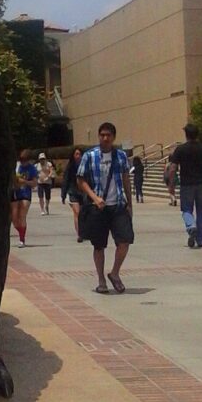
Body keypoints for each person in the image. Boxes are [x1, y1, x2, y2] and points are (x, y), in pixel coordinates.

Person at [76, 122, 134, 293]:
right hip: (98, 208)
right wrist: (94, 197)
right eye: (102, 135)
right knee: (99, 245)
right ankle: (101, 280)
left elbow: (125, 179)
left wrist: (129, 203)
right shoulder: (89, 156)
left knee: (125, 240)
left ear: (113, 137)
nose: (105, 138)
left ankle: (115, 273)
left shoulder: (121, 156)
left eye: (108, 135)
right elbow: (80, 180)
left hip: (117, 206)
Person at [167, 123, 202, 248]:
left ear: (186, 135)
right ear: (197, 134)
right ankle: (201, 240)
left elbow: (172, 168)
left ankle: (191, 225)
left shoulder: (180, 149)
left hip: (186, 185)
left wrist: (171, 185)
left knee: (186, 209)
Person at [11, 149, 38, 247]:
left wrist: (25, 182)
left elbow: (34, 183)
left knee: (22, 215)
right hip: (15, 193)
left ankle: (22, 239)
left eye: (25, 160)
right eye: (22, 160)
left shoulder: (32, 169)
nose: (23, 162)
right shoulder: (17, 167)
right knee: (14, 218)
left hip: (25, 194)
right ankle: (21, 232)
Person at [61, 146, 85, 240]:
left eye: (80, 154)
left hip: (84, 192)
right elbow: (65, 180)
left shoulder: (86, 166)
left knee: (83, 213)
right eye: (76, 154)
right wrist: (63, 194)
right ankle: (79, 234)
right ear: (73, 155)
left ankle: (84, 231)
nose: (78, 156)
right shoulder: (70, 166)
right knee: (77, 212)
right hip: (73, 192)